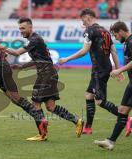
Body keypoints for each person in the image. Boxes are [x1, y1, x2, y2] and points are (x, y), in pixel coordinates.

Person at [2, 17, 84, 140]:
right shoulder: (35, 40)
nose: (21, 31)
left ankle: (42, 135)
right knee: (51, 106)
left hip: (46, 75)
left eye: (23, 28)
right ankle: (77, 121)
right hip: (48, 73)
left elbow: (16, 53)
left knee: (35, 103)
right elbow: (39, 59)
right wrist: (22, 66)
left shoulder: (35, 39)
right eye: (20, 29)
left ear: (30, 27)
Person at [59, 8, 131, 136]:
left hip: (99, 69)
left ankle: (125, 118)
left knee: (100, 101)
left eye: (83, 21)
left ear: (87, 17)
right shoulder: (105, 31)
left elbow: (84, 51)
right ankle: (88, 127)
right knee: (89, 95)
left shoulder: (89, 31)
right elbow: (113, 51)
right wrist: (116, 68)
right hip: (105, 67)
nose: (83, 24)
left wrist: (67, 59)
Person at [94, 21, 132, 150]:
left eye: (115, 35)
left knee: (123, 110)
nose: (115, 38)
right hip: (131, 84)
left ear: (121, 31)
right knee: (122, 110)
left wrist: (119, 70)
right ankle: (110, 142)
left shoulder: (131, 41)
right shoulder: (127, 42)